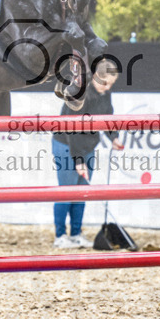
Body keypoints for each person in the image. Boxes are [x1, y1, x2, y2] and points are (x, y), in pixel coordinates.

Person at [51, 61, 124, 248]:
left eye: (111, 84)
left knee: (82, 192)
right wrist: (78, 160)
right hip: (66, 144)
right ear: (95, 77)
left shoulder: (105, 93)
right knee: (66, 192)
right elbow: (71, 129)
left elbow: (107, 116)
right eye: (105, 83)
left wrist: (114, 137)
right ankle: (60, 236)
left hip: (88, 146)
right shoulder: (78, 93)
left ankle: (76, 233)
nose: (107, 88)